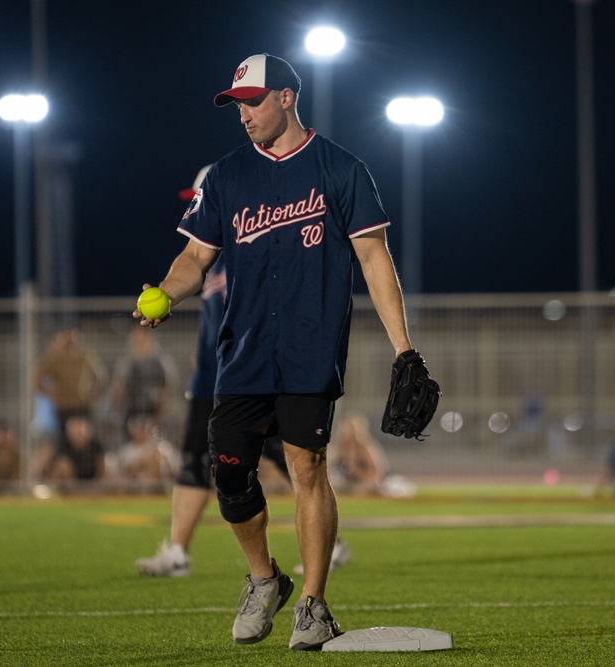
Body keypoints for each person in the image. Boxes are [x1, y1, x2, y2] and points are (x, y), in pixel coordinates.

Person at [132, 53, 425, 651]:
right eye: (237, 105)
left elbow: (374, 257)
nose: (244, 114)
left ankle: (315, 604)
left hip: (310, 350)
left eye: (255, 101)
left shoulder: (340, 169)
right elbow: (195, 258)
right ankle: (265, 578)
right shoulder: (228, 176)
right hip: (242, 352)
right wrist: (165, 291)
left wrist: (404, 348)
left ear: (287, 98)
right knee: (231, 473)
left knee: (307, 467)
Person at [136, 166, 349, 577]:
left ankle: (329, 545)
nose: (196, 215)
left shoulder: (255, 251)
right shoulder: (205, 260)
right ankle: (179, 551)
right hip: (213, 380)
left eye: (200, 203)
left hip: (259, 377)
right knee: (197, 461)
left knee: (298, 464)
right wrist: (167, 293)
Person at [33, 326, 107, 450]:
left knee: (87, 441)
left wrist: (94, 394)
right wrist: (53, 396)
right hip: (65, 407)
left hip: (83, 406)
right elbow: (36, 379)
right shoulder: (55, 359)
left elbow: (100, 377)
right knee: (65, 443)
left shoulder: (85, 357)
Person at [109, 325, 178, 441]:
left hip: (153, 414)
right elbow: (117, 388)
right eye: (135, 339)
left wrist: (158, 417)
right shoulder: (126, 362)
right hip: (131, 413)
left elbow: (167, 390)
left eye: (141, 339)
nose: (138, 342)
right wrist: (116, 412)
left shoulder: (161, 362)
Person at [33, 414, 106, 492]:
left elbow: (102, 468)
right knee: (63, 465)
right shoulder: (63, 446)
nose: (79, 433)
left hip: (92, 484)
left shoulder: (96, 447)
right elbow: (55, 469)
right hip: (69, 487)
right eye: (76, 431)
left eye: (81, 430)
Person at [328, 413, 388, 495]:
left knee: (362, 489)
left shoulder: (367, 448)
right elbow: (331, 468)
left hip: (366, 482)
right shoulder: (339, 448)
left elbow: (377, 474)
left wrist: (356, 471)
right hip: (346, 483)